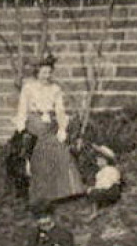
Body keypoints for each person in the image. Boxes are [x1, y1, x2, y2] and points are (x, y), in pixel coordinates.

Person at [12, 55, 86, 209]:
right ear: (37, 72)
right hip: (34, 123)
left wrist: (62, 128)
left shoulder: (55, 89)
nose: (47, 75)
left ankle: (62, 192)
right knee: (40, 151)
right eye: (43, 72)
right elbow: (22, 109)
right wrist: (21, 128)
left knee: (60, 151)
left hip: (49, 124)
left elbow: (59, 110)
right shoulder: (28, 88)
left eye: (49, 72)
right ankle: (40, 194)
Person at [87, 144, 124, 219]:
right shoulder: (103, 172)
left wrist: (94, 189)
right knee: (95, 191)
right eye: (97, 160)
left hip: (111, 190)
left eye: (99, 160)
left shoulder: (108, 170)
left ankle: (95, 212)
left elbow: (105, 184)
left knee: (93, 193)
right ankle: (104, 205)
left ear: (105, 161)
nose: (97, 162)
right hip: (112, 190)